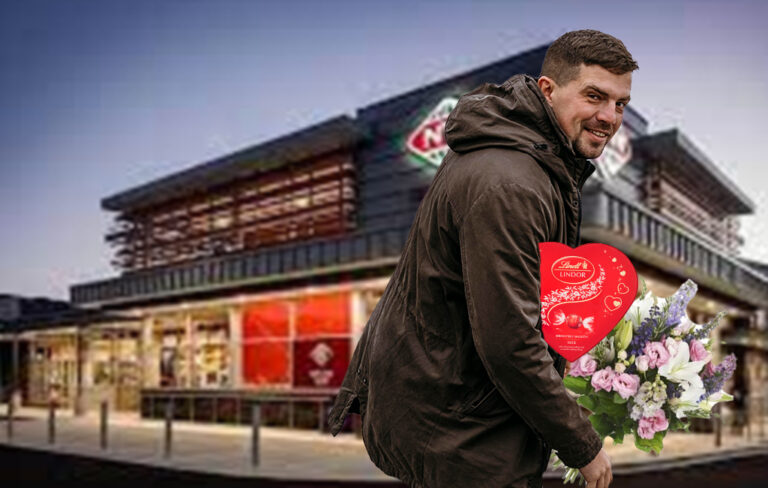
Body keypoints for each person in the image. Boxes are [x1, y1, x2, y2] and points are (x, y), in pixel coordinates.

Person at [327, 29, 637, 488]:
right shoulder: (511, 183)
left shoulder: (519, 155)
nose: (609, 117)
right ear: (548, 90)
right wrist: (581, 444)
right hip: (462, 432)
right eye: (594, 96)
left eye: (620, 104)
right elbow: (510, 341)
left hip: (448, 411)